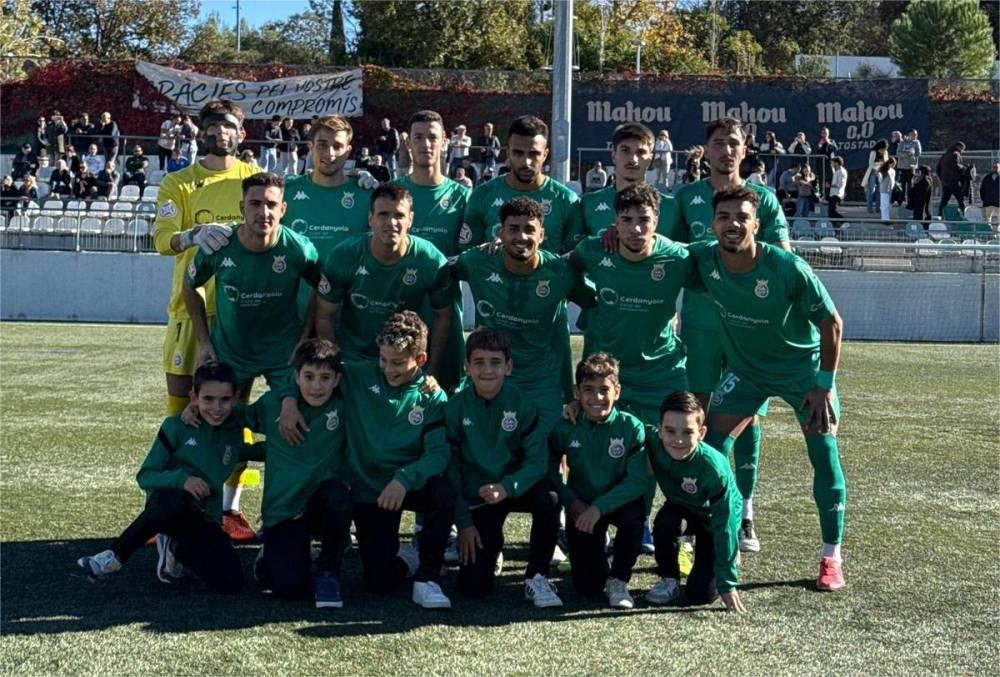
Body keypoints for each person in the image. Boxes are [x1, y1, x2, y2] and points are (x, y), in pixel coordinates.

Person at [690, 185, 847, 592]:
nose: (732, 224)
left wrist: (823, 385)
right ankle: (719, 540)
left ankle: (832, 556)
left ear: (756, 225)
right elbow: (656, 251)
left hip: (801, 373)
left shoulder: (786, 268)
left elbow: (832, 325)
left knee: (824, 452)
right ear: (713, 224)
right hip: (745, 372)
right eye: (724, 217)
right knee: (709, 448)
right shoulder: (705, 259)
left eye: (742, 217)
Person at [673, 117, 791, 554]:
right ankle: (696, 505)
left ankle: (744, 513)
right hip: (702, 327)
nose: (726, 150)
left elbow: (783, 261)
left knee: (749, 419)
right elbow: (662, 252)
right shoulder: (685, 199)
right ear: (705, 150)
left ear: (745, 150)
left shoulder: (763, 200)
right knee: (698, 416)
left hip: (750, 330)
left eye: (734, 143)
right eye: (718, 143)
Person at [286, 311, 456, 609]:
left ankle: (427, 577)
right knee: (379, 583)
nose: (388, 369)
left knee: (442, 491)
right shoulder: (358, 376)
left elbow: (439, 454)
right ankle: (406, 558)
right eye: (384, 359)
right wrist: (288, 399)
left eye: (398, 362)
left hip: (406, 484)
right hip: (369, 491)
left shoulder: (432, 396)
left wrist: (404, 478)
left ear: (421, 359)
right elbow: (308, 370)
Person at [153, 99, 262, 540]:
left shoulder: (250, 182)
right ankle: (165, 505)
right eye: (213, 125)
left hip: (239, 314)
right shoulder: (179, 183)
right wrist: (192, 234)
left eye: (230, 126)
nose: (222, 132)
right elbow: (161, 240)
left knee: (234, 414)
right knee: (182, 410)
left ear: (242, 134)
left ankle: (230, 509)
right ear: (200, 133)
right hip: (188, 312)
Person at [186, 339, 353, 608]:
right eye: (308, 377)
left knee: (338, 494)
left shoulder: (345, 404)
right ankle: (270, 559)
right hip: (283, 509)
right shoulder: (274, 404)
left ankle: (328, 572)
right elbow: (235, 415)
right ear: (296, 376)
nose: (316, 386)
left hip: (321, 503)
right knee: (288, 589)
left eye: (325, 378)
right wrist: (195, 408)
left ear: (337, 380)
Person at [75, 362, 251, 594]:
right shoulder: (175, 426)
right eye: (208, 399)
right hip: (169, 507)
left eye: (224, 400)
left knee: (230, 584)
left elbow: (251, 451)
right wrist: (183, 480)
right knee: (171, 501)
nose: (216, 407)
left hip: (205, 518)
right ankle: (115, 555)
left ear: (235, 398)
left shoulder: (234, 430)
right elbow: (145, 476)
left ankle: (175, 549)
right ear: (194, 397)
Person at [463, 115, 583, 405]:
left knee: (555, 419)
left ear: (546, 154)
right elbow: (465, 254)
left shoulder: (566, 201)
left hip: (547, 328)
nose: (526, 162)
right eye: (518, 153)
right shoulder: (482, 196)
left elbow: (575, 261)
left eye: (534, 154)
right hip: (495, 324)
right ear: (507, 152)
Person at [452, 196, 592, 434]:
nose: (522, 237)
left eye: (530, 230)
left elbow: (594, 301)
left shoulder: (560, 272)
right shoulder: (477, 261)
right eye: (513, 229)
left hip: (542, 382)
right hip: (492, 376)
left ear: (542, 235)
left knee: (546, 454)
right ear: (500, 232)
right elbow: (437, 271)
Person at [446, 327, 562, 606]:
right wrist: (463, 524)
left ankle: (537, 576)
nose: (487, 370)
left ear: (508, 366)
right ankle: (492, 548)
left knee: (550, 496)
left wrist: (508, 486)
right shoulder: (455, 407)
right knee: (473, 587)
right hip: (481, 494)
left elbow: (537, 462)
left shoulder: (522, 403)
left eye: (495, 363)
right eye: (479, 363)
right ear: (467, 367)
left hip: (515, 486)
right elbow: (451, 469)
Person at [314, 183, 454, 382]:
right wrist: (334, 364)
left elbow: (443, 317)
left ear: (410, 220)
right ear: (370, 219)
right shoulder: (344, 255)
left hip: (403, 361)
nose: (391, 222)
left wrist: (432, 371)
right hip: (354, 358)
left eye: (399, 215)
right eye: (383, 214)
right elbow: (324, 316)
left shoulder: (430, 260)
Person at [548, 353, 649, 609]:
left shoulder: (631, 427)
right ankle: (598, 559)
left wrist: (599, 507)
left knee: (636, 513)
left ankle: (619, 578)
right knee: (587, 587)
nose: (597, 398)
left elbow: (637, 481)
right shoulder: (565, 426)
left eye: (604, 390)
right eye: (588, 390)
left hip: (616, 503)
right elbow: (549, 471)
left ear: (617, 390)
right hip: (582, 506)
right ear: (577, 392)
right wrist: (571, 502)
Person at [393, 109, 472, 392]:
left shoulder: (464, 198)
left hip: (445, 312)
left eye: (432, 138)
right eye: (419, 137)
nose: (426, 144)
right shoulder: (392, 192)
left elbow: (472, 256)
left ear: (445, 143)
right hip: (397, 305)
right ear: (408, 143)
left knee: (445, 392)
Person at [645, 391, 743, 612]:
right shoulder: (653, 440)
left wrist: (727, 582)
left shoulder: (713, 469)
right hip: (683, 509)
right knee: (665, 520)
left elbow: (724, 524)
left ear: (702, 433)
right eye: (670, 430)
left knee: (700, 595)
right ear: (659, 429)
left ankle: (726, 555)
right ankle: (669, 579)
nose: (678, 439)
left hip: (715, 518)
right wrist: (576, 405)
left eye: (687, 432)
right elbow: (623, 423)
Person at [284, 115, 375, 322]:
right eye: (322, 145)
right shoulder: (286, 191)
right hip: (292, 315)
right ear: (310, 147)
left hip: (349, 315)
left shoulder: (366, 194)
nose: (330, 153)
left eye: (338, 146)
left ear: (348, 151)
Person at [580, 123, 681, 240]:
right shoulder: (588, 203)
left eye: (641, 152)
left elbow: (682, 253)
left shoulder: (670, 206)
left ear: (650, 159)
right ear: (613, 155)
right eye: (625, 150)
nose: (633, 159)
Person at [936, 142, 967, 217]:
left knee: (945, 198)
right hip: (953, 181)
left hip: (945, 181)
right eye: (962, 149)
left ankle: (940, 214)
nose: (962, 151)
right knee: (960, 198)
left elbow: (937, 169)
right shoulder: (956, 154)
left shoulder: (944, 155)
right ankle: (964, 214)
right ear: (959, 147)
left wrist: (942, 179)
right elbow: (957, 166)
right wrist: (963, 168)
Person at [862, 140, 889, 214]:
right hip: (873, 172)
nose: (884, 150)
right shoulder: (873, 152)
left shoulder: (885, 153)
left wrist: (881, 169)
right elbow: (870, 163)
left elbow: (886, 163)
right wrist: (878, 167)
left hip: (881, 173)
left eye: (885, 149)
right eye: (883, 148)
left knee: (879, 191)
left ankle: (878, 208)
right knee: (871, 190)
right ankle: (869, 208)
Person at [896, 129, 922, 199]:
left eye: (916, 135)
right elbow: (898, 153)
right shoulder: (902, 142)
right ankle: (902, 199)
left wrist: (912, 154)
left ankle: (910, 199)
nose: (915, 136)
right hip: (902, 167)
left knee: (910, 184)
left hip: (911, 167)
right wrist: (907, 155)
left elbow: (918, 153)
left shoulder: (917, 142)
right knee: (902, 184)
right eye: (913, 134)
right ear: (909, 135)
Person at [980, 161, 1000, 229]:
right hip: (988, 203)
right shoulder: (987, 178)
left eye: (997, 167)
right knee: (987, 220)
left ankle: (998, 233)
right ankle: (989, 233)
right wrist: (984, 199)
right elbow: (982, 189)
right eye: (994, 167)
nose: (995, 169)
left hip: (998, 203)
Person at [828, 156, 847, 223]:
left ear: (836, 163)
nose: (831, 164)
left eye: (832, 162)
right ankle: (836, 229)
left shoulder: (842, 172)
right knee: (831, 213)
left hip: (837, 195)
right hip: (833, 194)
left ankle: (844, 222)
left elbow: (840, 184)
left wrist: (830, 185)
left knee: (832, 212)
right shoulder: (837, 171)